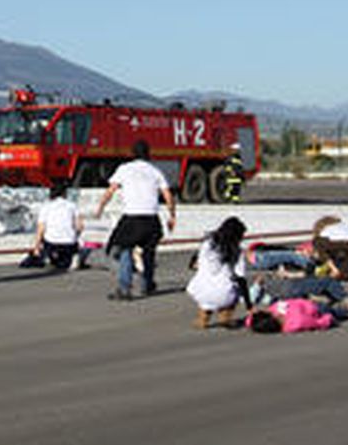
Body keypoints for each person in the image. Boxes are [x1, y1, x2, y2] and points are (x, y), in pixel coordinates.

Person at [94, 140, 177, 301]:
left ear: (132, 153)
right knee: (149, 252)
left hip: (131, 217)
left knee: (125, 249)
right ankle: (147, 285)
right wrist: (172, 216)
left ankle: (125, 288)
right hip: (151, 218)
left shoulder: (124, 169)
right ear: (148, 154)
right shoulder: (155, 171)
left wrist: (100, 208)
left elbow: (110, 191)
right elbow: (167, 195)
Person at [185, 217, 248, 329]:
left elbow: (195, 264)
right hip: (223, 294)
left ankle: (202, 319)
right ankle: (225, 315)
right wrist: (249, 304)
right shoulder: (238, 251)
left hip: (199, 291)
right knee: (232, 289)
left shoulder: (207, 244)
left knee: (207, 292)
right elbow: (241, 277)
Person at [22, 184, 86, 270]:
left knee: (47, 245)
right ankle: (72, 257)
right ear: (64, 194)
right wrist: (75, 236)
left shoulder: (46, 206)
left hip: (51, 242)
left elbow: (41, 229)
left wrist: (36, 248)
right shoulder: (72, 206)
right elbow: (80, 226)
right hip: (68, 243)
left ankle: (48, 257)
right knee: (66, 258)